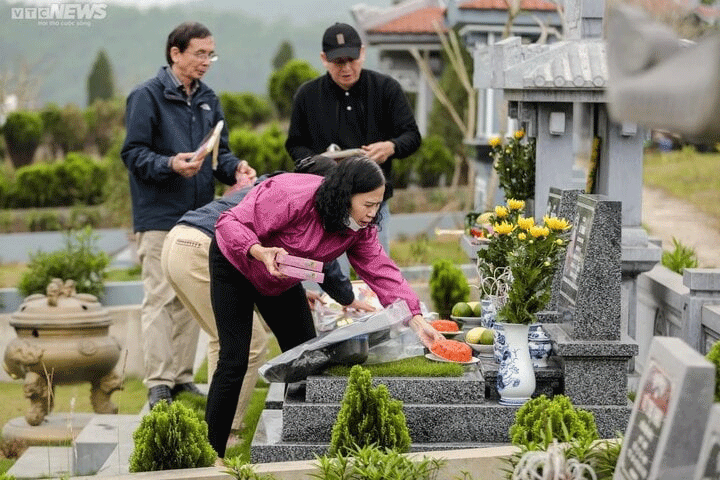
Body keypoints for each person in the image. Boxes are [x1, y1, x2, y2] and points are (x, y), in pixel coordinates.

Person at [206, 156, 444, 456]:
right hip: (237, 264)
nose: (373, 213)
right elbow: (228, 222)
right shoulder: (290, 194)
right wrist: (259, 251)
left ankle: (305, 448)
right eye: (368, 204)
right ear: (346, 195)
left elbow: (381, 270)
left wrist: (416, 319)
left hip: (280, 276)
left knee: (306, 354)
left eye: (377, 205)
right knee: (235, 359)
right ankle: (209, 457)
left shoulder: (359, 227)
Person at [161, 156, 375, 446]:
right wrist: (347, 297)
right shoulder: (296, 200)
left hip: (180, 242)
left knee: (225, 342)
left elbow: (277, 265)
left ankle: (217, 435)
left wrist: (296, 286)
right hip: (205, 245)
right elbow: (322, 261)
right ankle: (225, 437)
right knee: (244, 346)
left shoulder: (275, 186)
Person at [121, 21, 257, 409]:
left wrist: (236, 170)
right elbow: (133, 154)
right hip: (159, 217)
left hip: (199, 219)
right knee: (161, 299)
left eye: (210, 54)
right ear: (175, 53)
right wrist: (169, 164)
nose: (206, 61)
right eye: (199, 53)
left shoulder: (209, 98)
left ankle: (181, 379)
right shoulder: (146, 96)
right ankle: (159, 382)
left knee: (191, 299)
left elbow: (220, 155)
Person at [285, 22, 421, 256]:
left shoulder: (386, 88)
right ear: (324, 58)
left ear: (363, 53)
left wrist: (390, 147)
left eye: (352, 59)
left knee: (377, 264)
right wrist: (320, 162)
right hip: (326, 201)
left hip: (374, 201)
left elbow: (412, 135)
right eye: (338, 62)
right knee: (329, 273)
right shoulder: (307, 95)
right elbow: (295, 144)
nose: (346, 68)